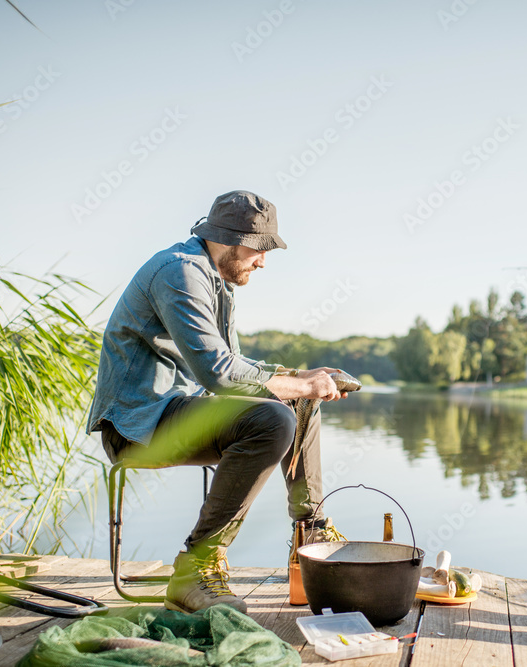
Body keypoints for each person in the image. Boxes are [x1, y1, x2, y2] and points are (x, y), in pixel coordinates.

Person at [87, 190, 350, 615]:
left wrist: (297, 377)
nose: (262, 261)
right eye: (259, 249)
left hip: (175, 415)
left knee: (295, 404)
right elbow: (219, 374)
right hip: (137, 428)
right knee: (273, 419)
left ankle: (311, 531)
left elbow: (236, 365)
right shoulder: (179, 273)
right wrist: (298, 387)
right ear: (231, 238)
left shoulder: (213, 279)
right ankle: (195, 567)